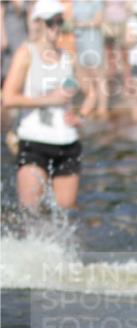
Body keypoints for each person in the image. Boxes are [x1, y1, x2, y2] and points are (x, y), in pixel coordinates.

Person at [1, 0, 95, 210]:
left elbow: (92, 94)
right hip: (34, 141)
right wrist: (48, 100)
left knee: (65, 213)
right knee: (30, 211)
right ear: (39, 23)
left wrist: (82, 116)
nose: (57, 27)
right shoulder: (26, 53)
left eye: (60, 22)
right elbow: (8, 98)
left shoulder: (68, 57)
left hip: (67, 143)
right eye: (52, 22)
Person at [72, 0, 108, 120]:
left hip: (93, 41)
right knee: (84, 77)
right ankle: (91, 103)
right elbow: (70, 20)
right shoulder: (75, 2)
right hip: (80, 42)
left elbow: (99, 21)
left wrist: (82, 24)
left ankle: (102, 108)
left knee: (98, 76)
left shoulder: (96, 2)